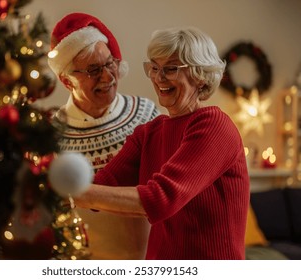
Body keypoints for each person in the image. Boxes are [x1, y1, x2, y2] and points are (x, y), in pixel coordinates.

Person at [75, 27, 250, 260]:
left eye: (170, 69)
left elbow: (161, 198)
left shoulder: (213, 125)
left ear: (199, 75)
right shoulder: (149, 133)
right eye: (154, 68)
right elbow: (102, 186)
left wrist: (74, 194)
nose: (158, 78)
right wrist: (47, 178)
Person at [47, 13, 160, 260]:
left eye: (110, 63)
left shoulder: (147, 115)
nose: (108, 77)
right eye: (93, 70)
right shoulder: (49, 136)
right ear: (67, 81)